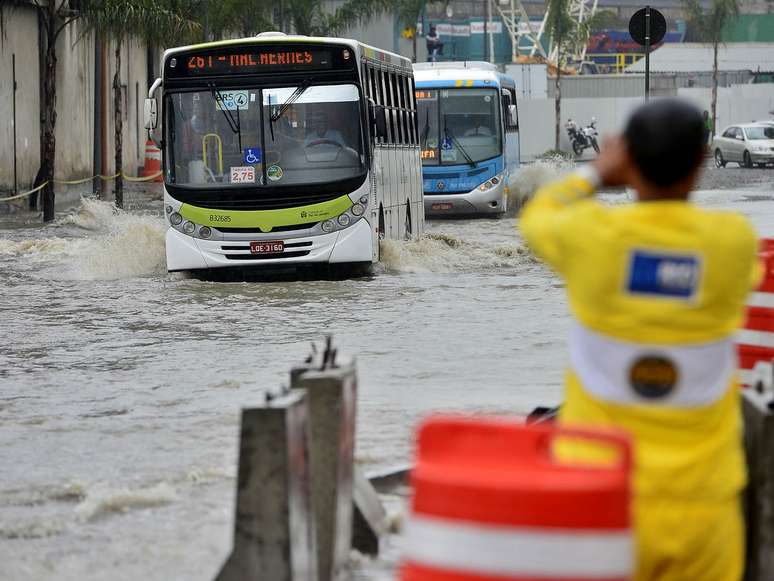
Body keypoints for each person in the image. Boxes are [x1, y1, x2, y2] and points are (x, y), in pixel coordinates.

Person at [519, 99, 759, 581]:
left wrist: (594, 174)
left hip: (600, 500)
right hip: (702, 505)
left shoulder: (593, 236)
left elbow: (538, 215)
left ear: (628, 161)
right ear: (702, 161)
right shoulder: (732, 243)